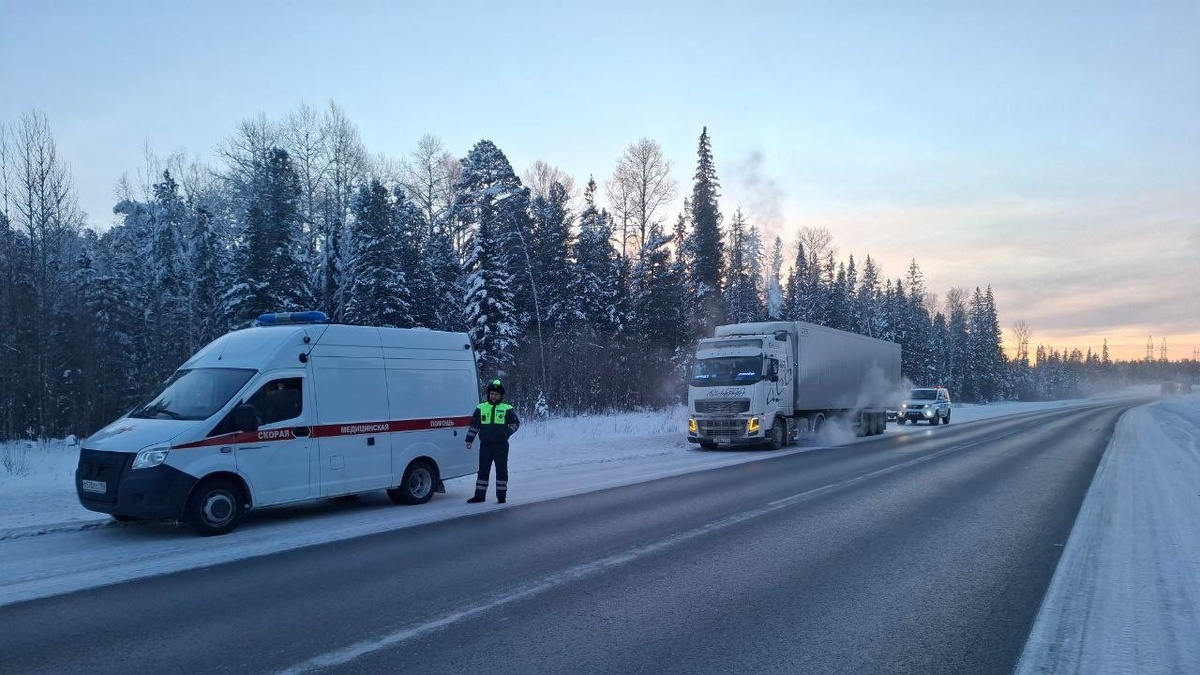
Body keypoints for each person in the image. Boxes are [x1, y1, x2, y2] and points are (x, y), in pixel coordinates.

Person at [465, 379, 520, 504]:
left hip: (501, 445)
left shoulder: (507, 408)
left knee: (501, 470)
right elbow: (474, 425)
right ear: (488, 394)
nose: (493, 396)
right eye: (491, 394)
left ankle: (501, 496)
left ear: (501, 395)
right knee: (483, 470)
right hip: (485, 445)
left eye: (496, 394)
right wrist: (469, 439)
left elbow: (515, 423)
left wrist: (507, 432)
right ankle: (479, 496)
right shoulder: (481, 407)